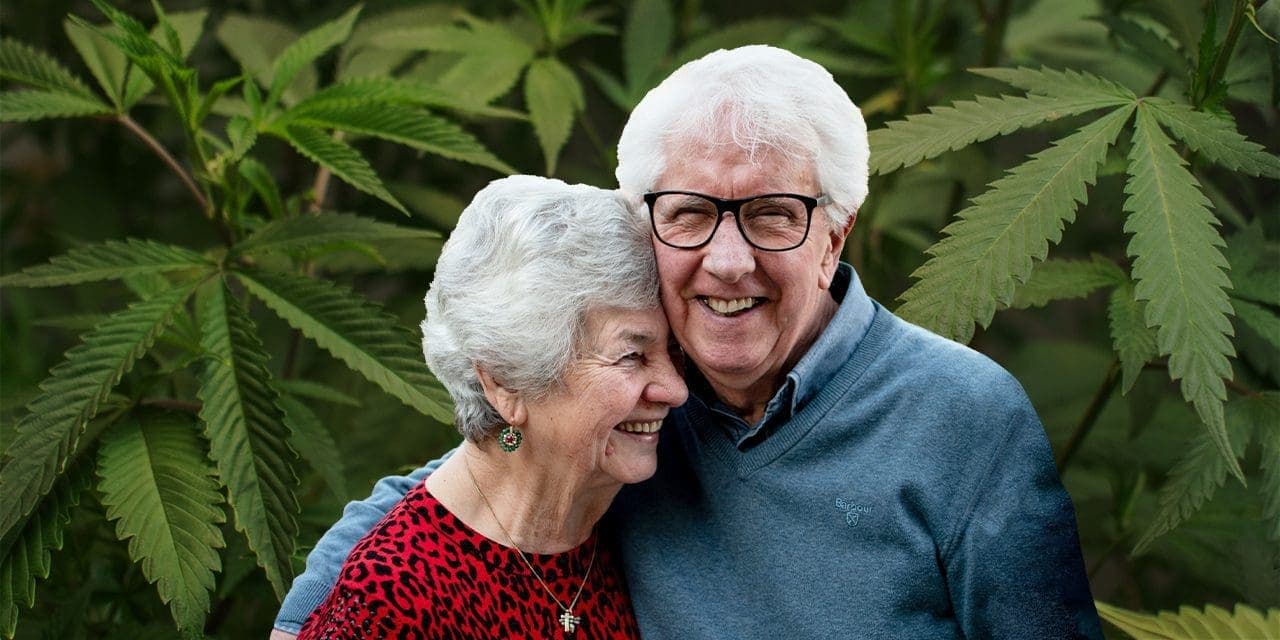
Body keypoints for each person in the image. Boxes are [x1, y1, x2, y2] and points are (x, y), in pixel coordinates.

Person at [275, 45, 1102, 639]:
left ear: (834, 237)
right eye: (693, 213)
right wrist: (321, 610)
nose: (728, 261)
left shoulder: (964, 416)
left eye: (775, 212)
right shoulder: (645, 398)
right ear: (651, 228)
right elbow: (489, 468)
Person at [292, 176, 687, 638]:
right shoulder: (396, 597)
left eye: (673, 352)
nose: (675, 389)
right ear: (506, 382)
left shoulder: (617, 522)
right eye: (632, 356)